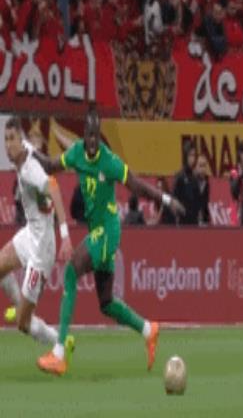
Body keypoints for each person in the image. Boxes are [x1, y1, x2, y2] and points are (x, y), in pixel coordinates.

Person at [34, 107, 185, 376]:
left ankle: (59, 353)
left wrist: (165, 199)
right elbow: (50, 166)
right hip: (98, 231)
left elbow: (136, 185)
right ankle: (148, 330)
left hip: (108, 230)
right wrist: (27, 151)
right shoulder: (76, 153)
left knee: (71, 271)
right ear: (84, 134)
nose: (92, 140)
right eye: (89, 135)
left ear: (99, 134)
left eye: (96, 135)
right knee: (106, 302)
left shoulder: (110, 161)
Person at [0, 118, 74, 351]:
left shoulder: (30, 170)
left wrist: (65, 235)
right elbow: (47, 162)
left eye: (12, 139)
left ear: (20, 140)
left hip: (41, 251)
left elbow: (54, 188)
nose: (8, 145)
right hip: (30, 233)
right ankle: (19, 304)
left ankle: (61, 342)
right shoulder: (25, 152)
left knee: (23, 324)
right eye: (5, 139)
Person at [173, 141, 201, 225]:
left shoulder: (195, 177)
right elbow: (174, 198)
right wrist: (181, 211)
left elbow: (198, 200)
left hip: (194, 222)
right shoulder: (180, 176)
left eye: (194, 155)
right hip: (183, 222)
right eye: (190, 155)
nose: (193, 158)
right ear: (185, 156)